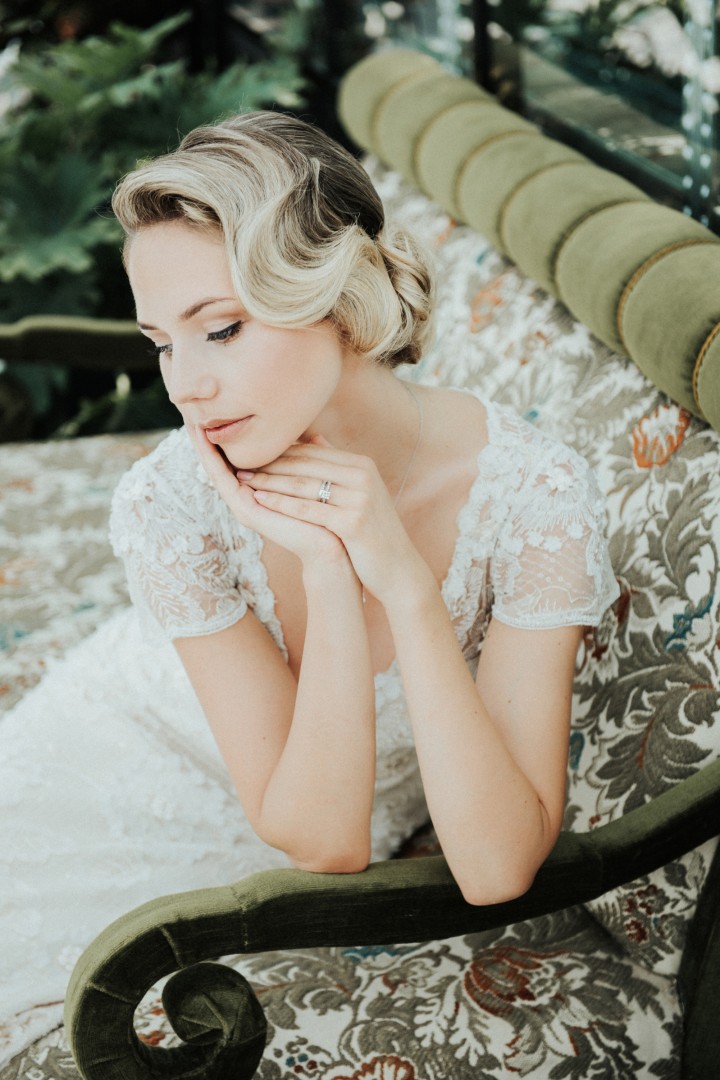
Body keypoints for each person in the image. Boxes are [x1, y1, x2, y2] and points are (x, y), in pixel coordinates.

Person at [0, 110, 618, 1065]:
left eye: (222, 329)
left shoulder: (533, 496)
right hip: (116, 748)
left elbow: (495, 866)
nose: (186, 387)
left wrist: (405, 586)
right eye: (163, 343)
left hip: (285, 826)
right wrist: (329, 572)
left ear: (340, 298)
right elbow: (319, 837)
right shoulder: (171, 498)